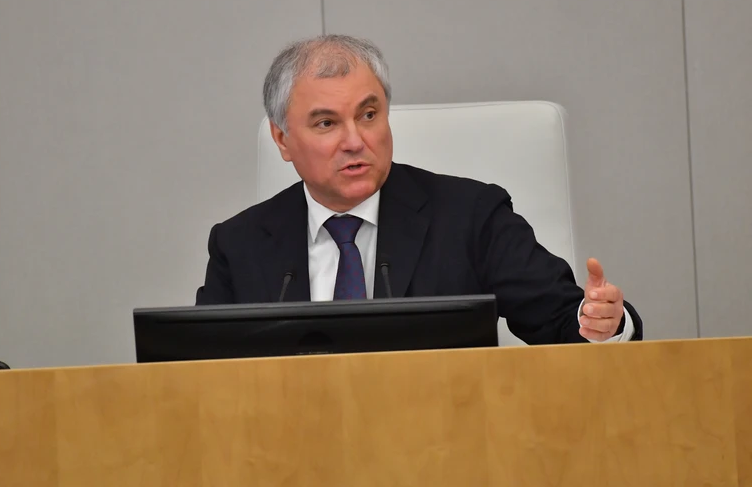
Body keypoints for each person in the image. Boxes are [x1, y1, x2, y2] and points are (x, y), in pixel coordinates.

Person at [196, 34, 643, 344]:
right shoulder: (239, 245)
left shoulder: (471, 217)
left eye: (368, 115)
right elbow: (198, 371)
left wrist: (602, 323)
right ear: (282, 140)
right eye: (327, 123)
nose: (355, 140)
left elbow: (564, 322)